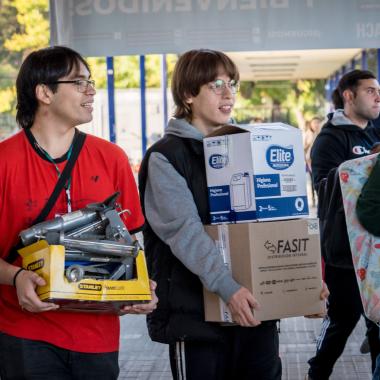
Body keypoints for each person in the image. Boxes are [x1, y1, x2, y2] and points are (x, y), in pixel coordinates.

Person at [139, 48, 327, 380]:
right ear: (187, 94)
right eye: (215, 85)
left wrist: (304, 283)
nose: (229, 94)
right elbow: (186, 234)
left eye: (232, 84)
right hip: (197, 320)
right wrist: (228, 288)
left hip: (256, 313)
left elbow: (274, 224)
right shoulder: (166, 157)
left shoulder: (248, 147)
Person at [0, 46, 158, 380]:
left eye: (91, 81)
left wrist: (140, 287)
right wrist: (15, 277)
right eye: (79, 82)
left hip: (97, 336)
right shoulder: (5, 162)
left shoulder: (112, 158)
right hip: (25, 332)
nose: (91, 90)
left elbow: (130, 243)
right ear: (44, 92)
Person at [306, 69, 380, 380]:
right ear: (348, 96)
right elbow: (325, 190)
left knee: (377, 322)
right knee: (341, 320)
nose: (377, 97)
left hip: (375, 247)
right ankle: (317, 371)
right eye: (370, 91)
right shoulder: (329, 138)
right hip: (343, 251)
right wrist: (364, 166)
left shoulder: (376, 131)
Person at [303, 116, 323, 207]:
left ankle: (320, 198)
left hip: (321, 160)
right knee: (312, 180)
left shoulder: (323, 133)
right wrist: (310, 142)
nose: (316, 125)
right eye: (314, 123)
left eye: (318, 122)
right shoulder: (308, 133)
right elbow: (303, 147)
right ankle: (313, 199)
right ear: (311, 124)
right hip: (310, 160)